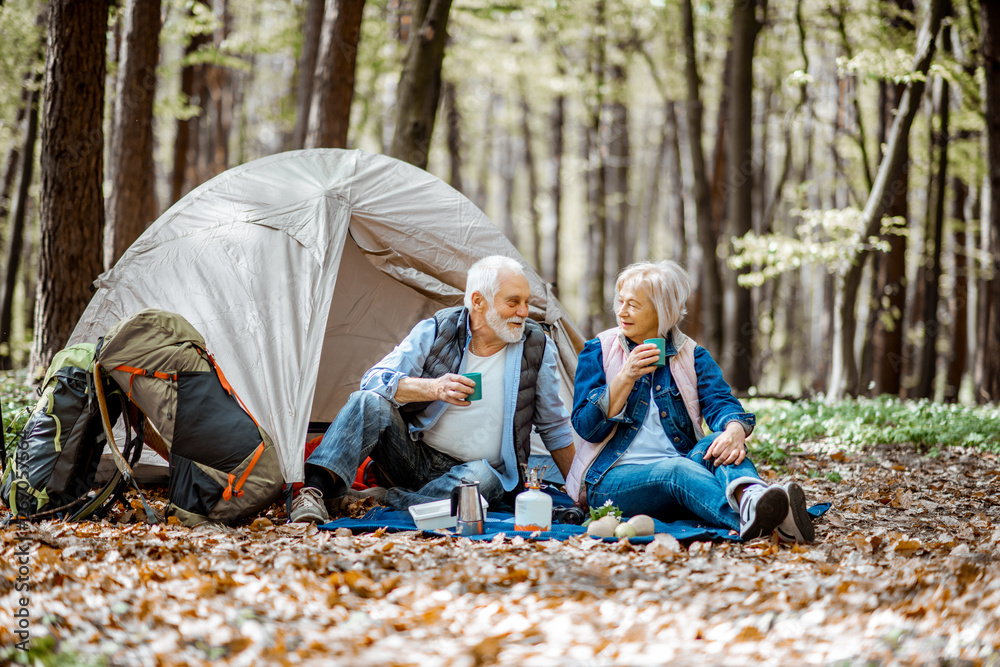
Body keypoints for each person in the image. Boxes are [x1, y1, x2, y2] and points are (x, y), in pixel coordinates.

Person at [290, 255, 577, 523]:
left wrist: (578, 493)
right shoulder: (440, 329)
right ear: (478, 301)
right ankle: (313, 493)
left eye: (526, 301)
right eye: (513, 302)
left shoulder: (536, 346)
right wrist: (434, 388)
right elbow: (374, 380)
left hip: (475, 473)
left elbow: (554, 425)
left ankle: (379, 500)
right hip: (411, 457)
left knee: (484, 481)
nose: (524, 312)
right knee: (367, 401)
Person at [566, 261, 815, 543]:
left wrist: (734, 430)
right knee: (676, 470)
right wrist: (626, 376)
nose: (621, 312)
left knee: (718, 442)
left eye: (633, 305)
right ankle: (774, 523)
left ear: (663, 311)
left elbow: (720, 402)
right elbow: (586, 427)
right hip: (610, 482)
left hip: (683, 468)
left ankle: (752, 499)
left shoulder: (692, 355)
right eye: (620, 302)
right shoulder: (598, 350)